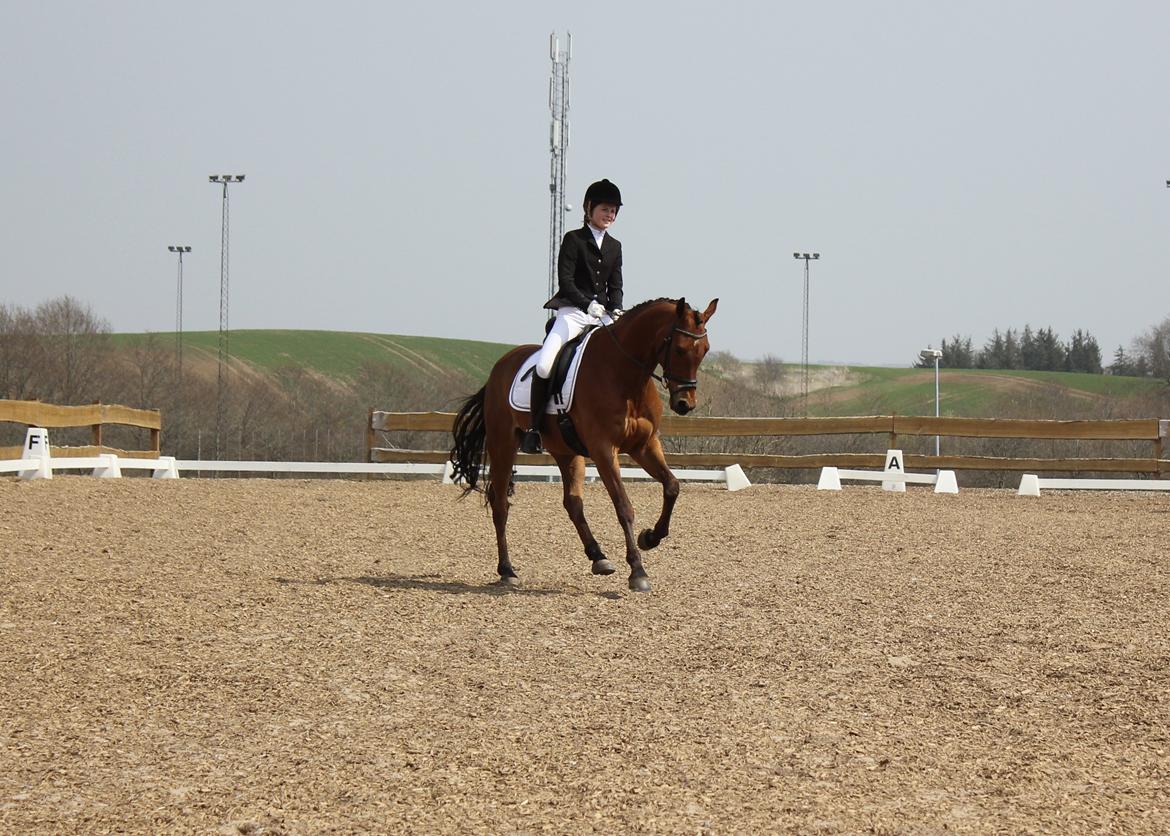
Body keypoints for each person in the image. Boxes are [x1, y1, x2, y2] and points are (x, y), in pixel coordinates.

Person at [520, 178, 625, 454]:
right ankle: (533, 429)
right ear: (589, 208)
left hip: (601, 317)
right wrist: (586, 303)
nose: (609, 215)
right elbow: (565, 281)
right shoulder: (574, 239)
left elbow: (616, 286)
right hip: (572, 313)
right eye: (605, 209)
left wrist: (616, 309)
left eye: (614, 210)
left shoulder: (615, 247)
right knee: (544, 365)